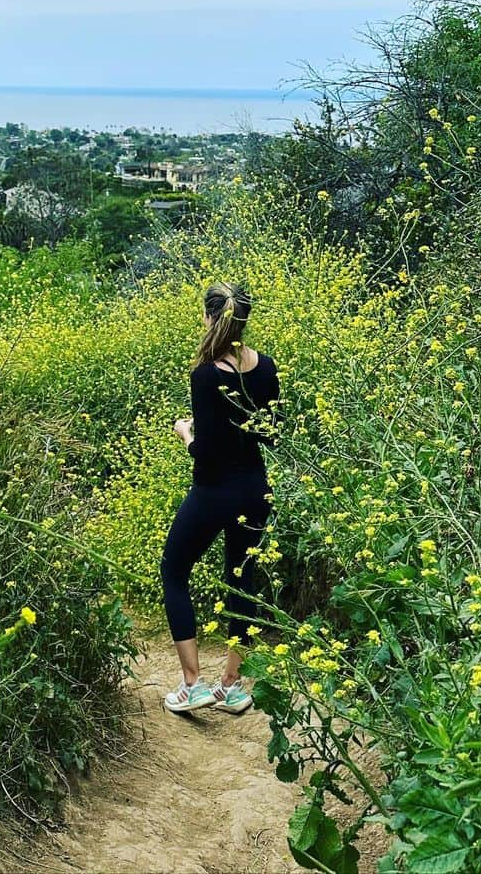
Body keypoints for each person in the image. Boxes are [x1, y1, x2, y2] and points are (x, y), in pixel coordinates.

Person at [162, 281, 282, 714]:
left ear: (211, 318)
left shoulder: (206, 373)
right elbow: (271, 435)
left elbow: (207, 454)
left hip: (214, 491)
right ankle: (231, 686)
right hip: (255, 491)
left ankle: (193, 685)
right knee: (241, 582)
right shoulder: (266, 367)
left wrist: (186, 432)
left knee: (174, 571)